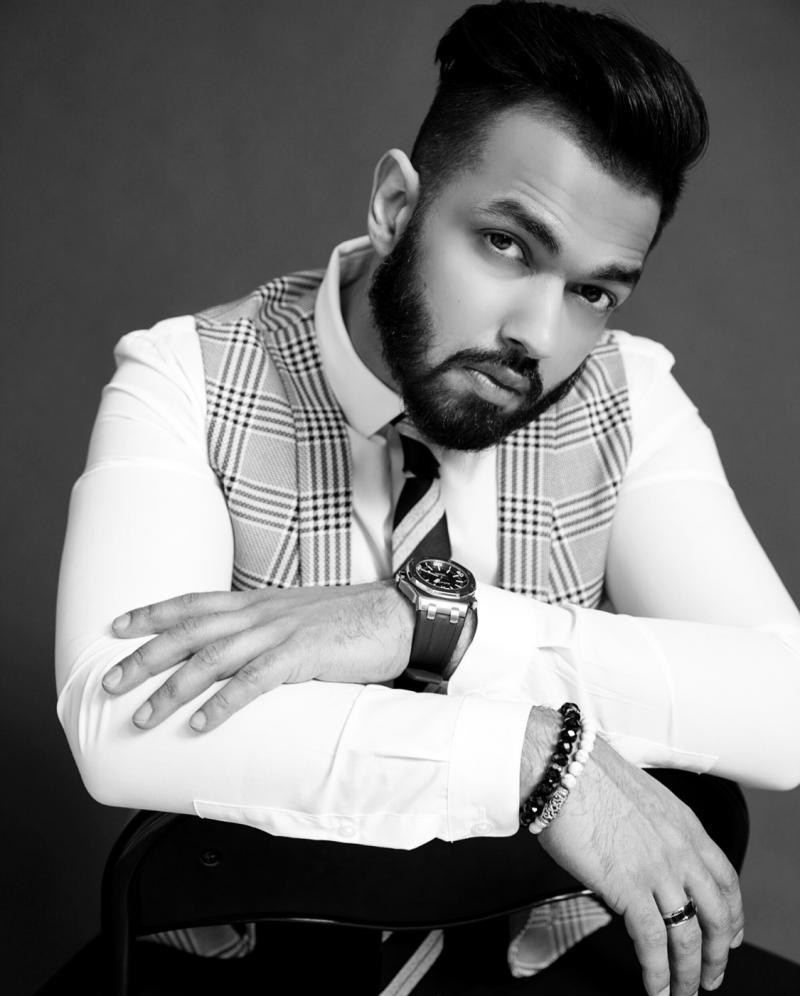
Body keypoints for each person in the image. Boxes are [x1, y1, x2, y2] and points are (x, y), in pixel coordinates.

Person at [56, 2, 800, 994]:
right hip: (246, 973)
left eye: (593, 292)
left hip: (547, 968)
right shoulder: (185, 378)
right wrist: (534, 758)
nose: (537, 336)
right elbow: (120, 722)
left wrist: (436, 625)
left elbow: (784, 707)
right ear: (395, 206)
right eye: (505, 244)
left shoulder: (626, 394)